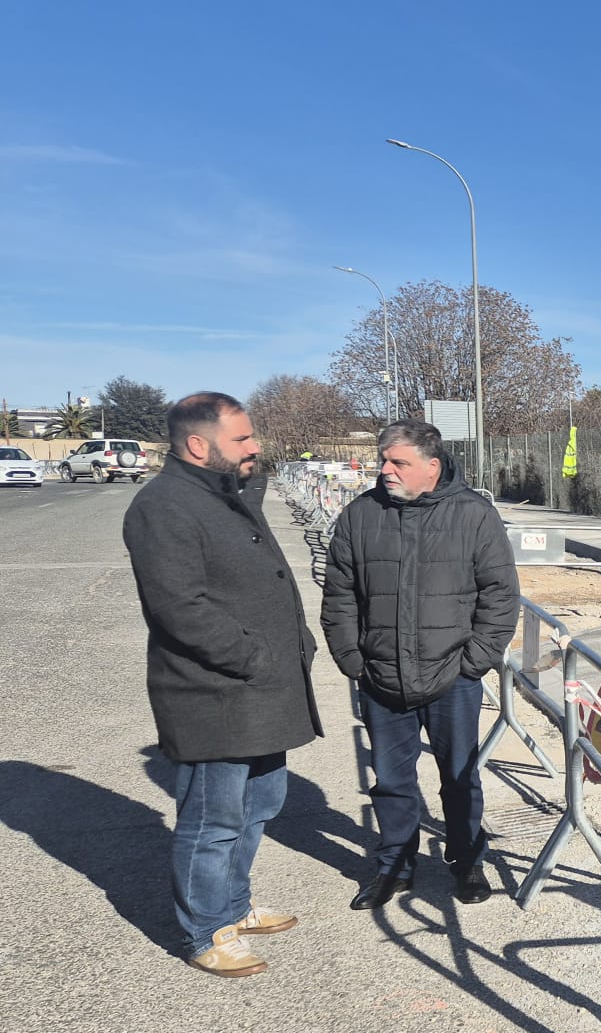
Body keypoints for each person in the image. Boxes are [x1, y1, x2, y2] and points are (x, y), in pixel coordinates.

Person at [123, 392, 321, 977]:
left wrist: (291, 648)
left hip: (260, 688)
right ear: (196, 445)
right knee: (213, 820)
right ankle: (206, 930)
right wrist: (253, 656)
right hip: (215, 691)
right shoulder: (164, 506)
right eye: (241, 440)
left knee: (261, 802)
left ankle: (234, 906)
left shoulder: (219, 493)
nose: (255, 446)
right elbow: (178, 607)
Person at [321, 420, 518, 908]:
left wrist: (474, 662)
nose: (385, 470)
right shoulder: (359, 516)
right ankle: (394, 865)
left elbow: (500, 594)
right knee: (391, 781)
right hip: (381, 677)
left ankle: (467, 860)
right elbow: (340, 595)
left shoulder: (473, 515)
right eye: (383, 460)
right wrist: (351, 657)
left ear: (431, 467)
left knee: (460, 775)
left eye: (398, 462)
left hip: (452, 677)